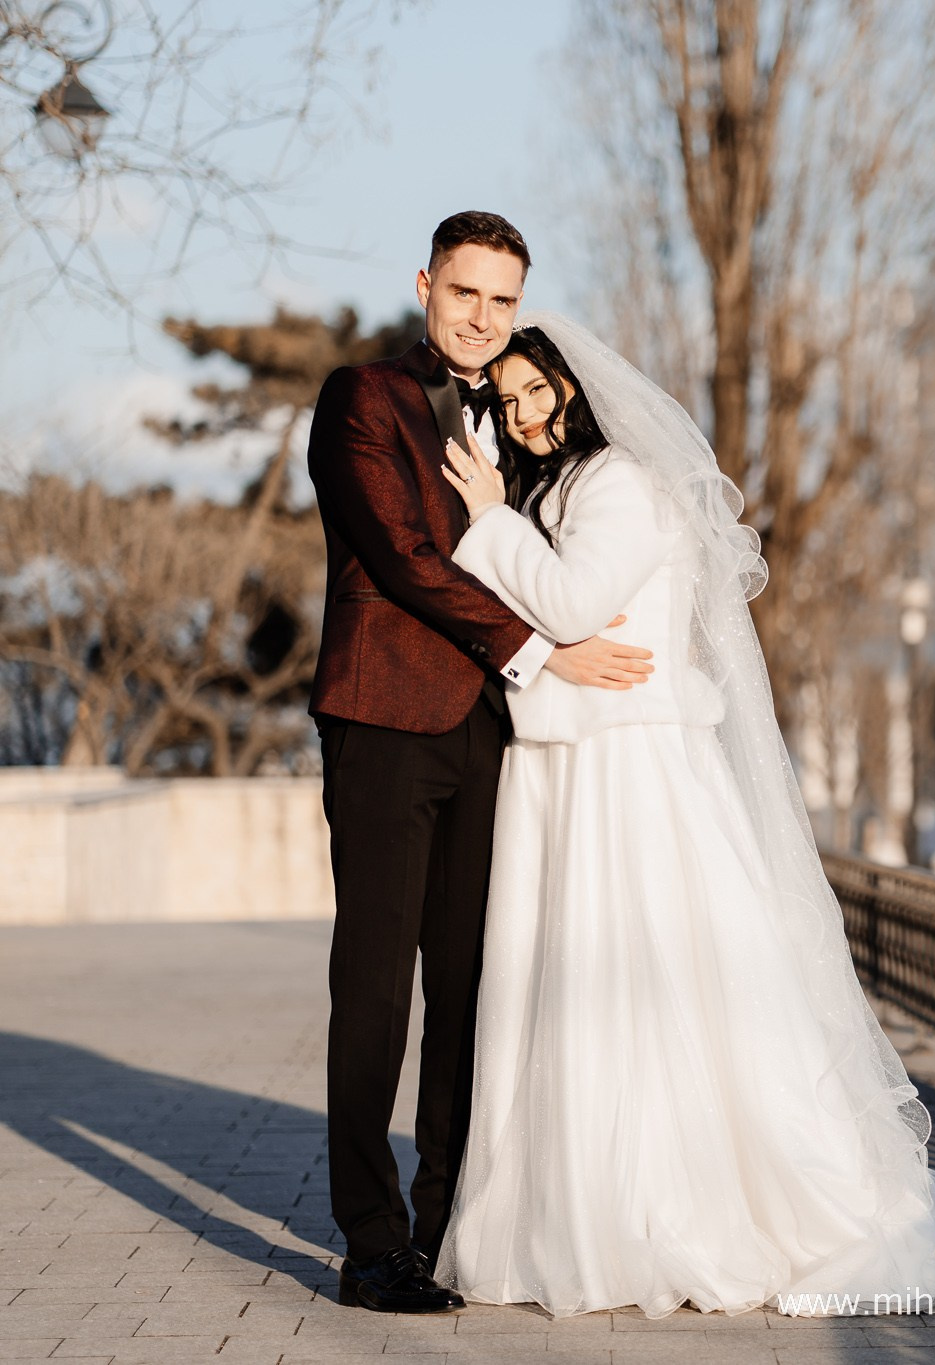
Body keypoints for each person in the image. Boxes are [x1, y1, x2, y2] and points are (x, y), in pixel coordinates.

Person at [431, 313, 935, 1318]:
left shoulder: (620, 483)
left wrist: (489, 520)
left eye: (541, 394)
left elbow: (572, 603)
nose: (527, 416)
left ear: (580, 390)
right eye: (512, 401)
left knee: (639, 985)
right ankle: (583, 1212)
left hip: (627, 775)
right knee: (576, 990)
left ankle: (657, 1214)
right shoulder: (565, 488)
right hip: (577, 765)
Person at [305, 214, 655, 1315]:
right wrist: (544, 650)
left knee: (469, 987)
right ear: (425, 285)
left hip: (491, 732)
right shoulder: (363, 398)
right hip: (385, 720)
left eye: (502, 301)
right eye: (465, 294)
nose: (482, 319)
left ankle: (446, 1223)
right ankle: (371, 1243)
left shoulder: (513, 416)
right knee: (373, 989)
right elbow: (404, 556)